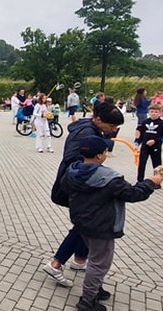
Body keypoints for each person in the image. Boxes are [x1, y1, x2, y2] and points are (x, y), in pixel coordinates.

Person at [65, 136, 162, 311]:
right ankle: (88, 299)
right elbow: (133, 194)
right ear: (100, 155)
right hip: (101, 226)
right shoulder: (110, 178)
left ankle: (96, 287)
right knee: (99, 262)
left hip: (81, 222)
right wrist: (150, 183)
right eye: (105, 152)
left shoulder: (72, 171)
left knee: (95, 258)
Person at [43, 103, 125, 287]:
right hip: (79, 184)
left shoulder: (87, 129)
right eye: (111, 127)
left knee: (85, 223)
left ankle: (80, 259)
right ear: (98, 120)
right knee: (83, 224)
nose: (113, 130)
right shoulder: (86, 133)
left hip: (78, 182)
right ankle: (55, 264)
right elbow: (76, 159)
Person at [134, 103, 163, 181]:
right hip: (145, 146)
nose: (153, 113)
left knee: (157, 164)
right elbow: (140, 133)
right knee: (142, 163)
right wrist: (137, 143)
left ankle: (158, 180)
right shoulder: (145, 122)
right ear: (149, 112)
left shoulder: (162, 123)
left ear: (160, 113)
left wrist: (155, 140)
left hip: (156, 146)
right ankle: (140, 180)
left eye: (156, 112)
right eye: (152, 111)